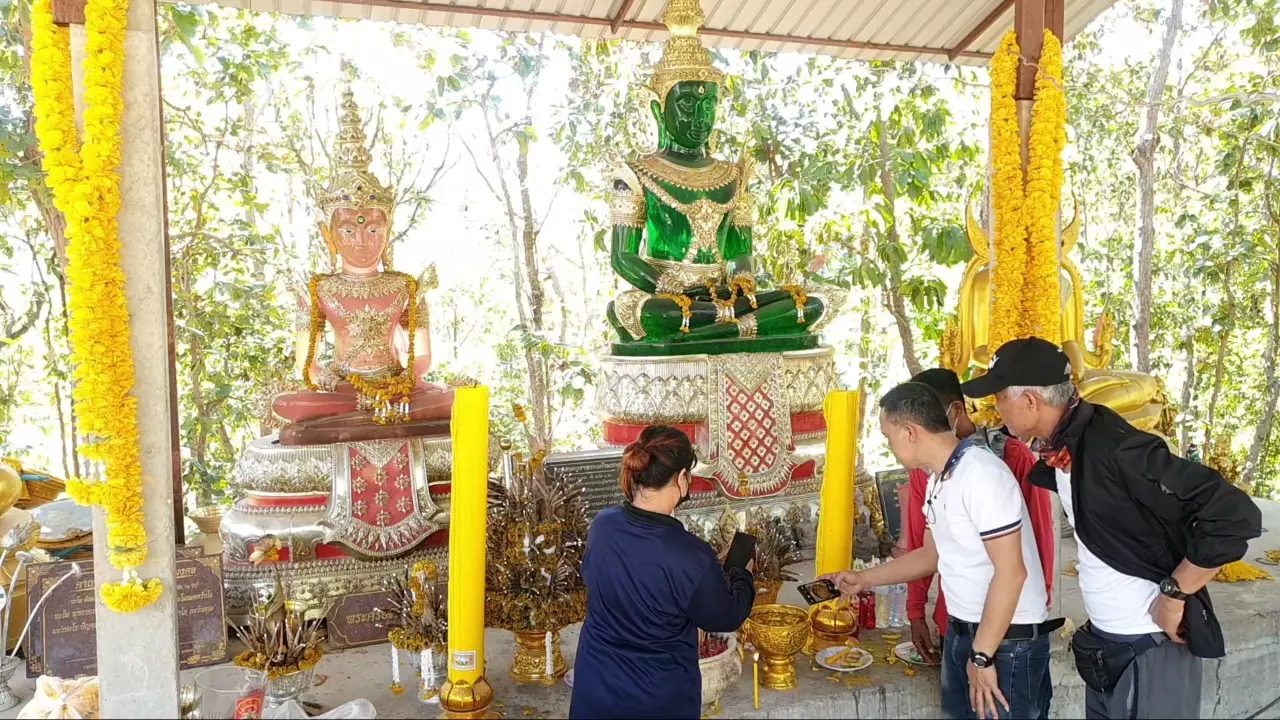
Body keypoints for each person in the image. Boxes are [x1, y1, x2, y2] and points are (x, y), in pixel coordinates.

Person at [961, 337, 1262, 719]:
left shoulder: (1114, 447)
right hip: (1107, 642)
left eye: (999, 396)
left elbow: (1236, 516)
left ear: (1030, 401)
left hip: (1150, 645)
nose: (996, 407)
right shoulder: (1064, 450)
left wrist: (1175, 593)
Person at [824, 382, 1057, 720]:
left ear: (909, 431)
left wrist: (982, 656)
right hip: (967, 633)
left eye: (888, 437)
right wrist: (863, 579)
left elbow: (1012, 572)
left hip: (1006, 643)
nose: (889, 446)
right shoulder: (940, 478)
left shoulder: (981, 474)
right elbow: (932, 555)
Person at [569, 426, 755, 719]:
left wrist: (704, 573)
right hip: (654, 696)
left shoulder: (602, 525)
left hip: (596, 686)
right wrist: (741, 574)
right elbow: (725, 615)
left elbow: (621, 576)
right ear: (682, 478)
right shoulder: (689, 554)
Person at [901, 368, 1056, 665]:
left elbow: (1039, 537)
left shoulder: (1008, 457)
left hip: (1012, 626)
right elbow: (924, 547)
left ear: (954, 410)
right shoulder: (926, 470)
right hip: (957, 618)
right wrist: (915, 611)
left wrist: (1039, 607)